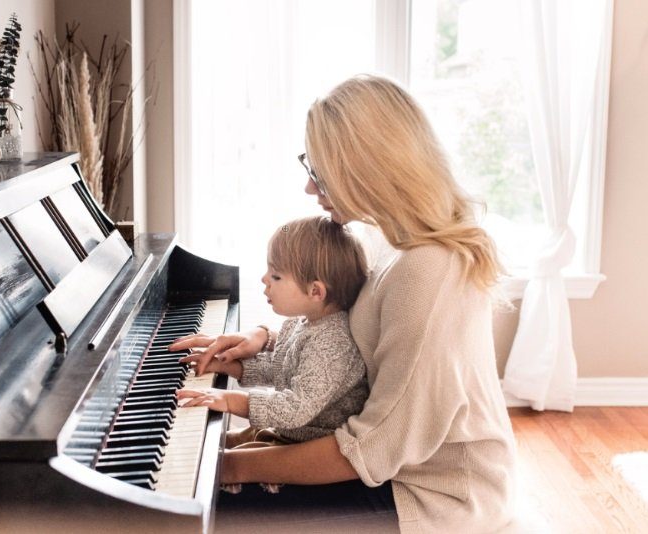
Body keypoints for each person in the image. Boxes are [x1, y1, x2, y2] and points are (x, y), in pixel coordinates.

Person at [171, 74, 516, 533]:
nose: (311, 190)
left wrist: (222, 468)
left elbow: (370, 449)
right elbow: (344, 340)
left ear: (366, 167)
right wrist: (264, 342)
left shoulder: (427, 270)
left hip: (432, 496)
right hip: (388, 467)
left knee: (204, 514)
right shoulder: (385, 238)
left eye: (320, 172)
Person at [176, 216, 369, 461]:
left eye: (276, 276)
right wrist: (230, 365)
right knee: (203, 447)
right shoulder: (307, 322)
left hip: (309, 446)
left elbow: (295, 408)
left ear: (315, 291)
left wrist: (230, 400)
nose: (264, 279)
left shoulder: (333, 342)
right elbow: (282, 367)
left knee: (211, 463)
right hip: (292, 433)